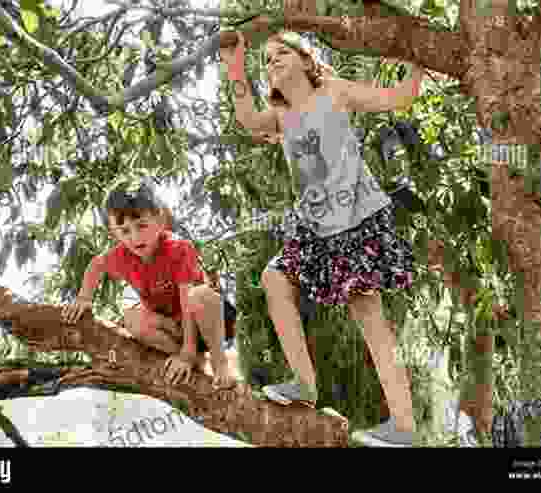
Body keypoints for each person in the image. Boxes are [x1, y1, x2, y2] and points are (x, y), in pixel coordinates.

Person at [220, 30, 424, 446]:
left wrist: (415, 61)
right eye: (267, 59)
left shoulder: (332, 92)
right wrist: (235, 68)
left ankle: (404, 428)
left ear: (305, 60)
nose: (272, 61)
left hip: (355, 218)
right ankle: (305, 384)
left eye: (281, 53)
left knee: (371, 321)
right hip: (315, 224)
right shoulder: (281, 116)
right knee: (274, 278)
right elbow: (246, 120)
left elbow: (396, 98)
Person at [61, 177, 236, 389]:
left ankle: (220, 364)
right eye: (124, 231)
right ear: (114, 232)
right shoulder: (121, 255)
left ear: (160, 220)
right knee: (131, 318)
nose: (135, 237)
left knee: (200, 295)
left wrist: (188, 351)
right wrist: (84, 298)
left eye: (141, 225)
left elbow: (187, 302)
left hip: (206, 320)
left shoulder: (179, 249)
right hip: (174, 327)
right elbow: (96, 265)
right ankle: (197, 362)